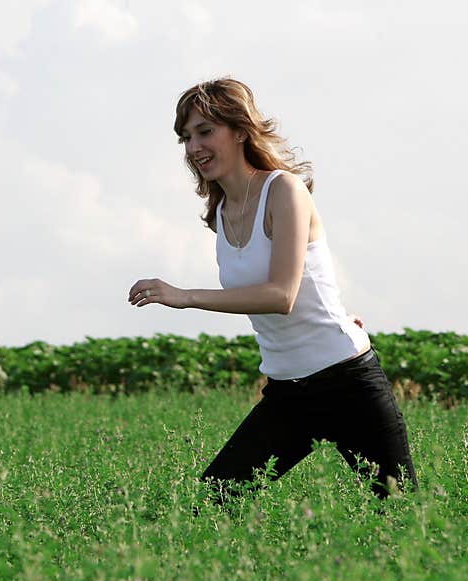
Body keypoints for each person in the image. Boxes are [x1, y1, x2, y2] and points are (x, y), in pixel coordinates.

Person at [128, 77, 417, 502]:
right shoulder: (221, 213)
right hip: (289, 390)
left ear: (240, 131)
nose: (193, 148)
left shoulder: (284, 190)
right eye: (186, 138)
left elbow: (281, 295)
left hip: (347, 383)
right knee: (214, 502)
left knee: (401, 513)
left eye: (205, 132)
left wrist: (186, 296)